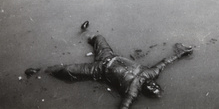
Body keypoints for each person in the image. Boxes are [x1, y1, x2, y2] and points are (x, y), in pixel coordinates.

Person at [45, 34, 193, 109]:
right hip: (109, 56)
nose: (153, 86)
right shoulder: (150, 73)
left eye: (152, 90)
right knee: (98, 37)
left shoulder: (133, 91)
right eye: (156, 86)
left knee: (65, 70)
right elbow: (165, 63)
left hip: (99, 70)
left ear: (146, 93)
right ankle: (86, 35)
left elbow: (124, 106)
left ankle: (43, 71)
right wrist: (181, 53)